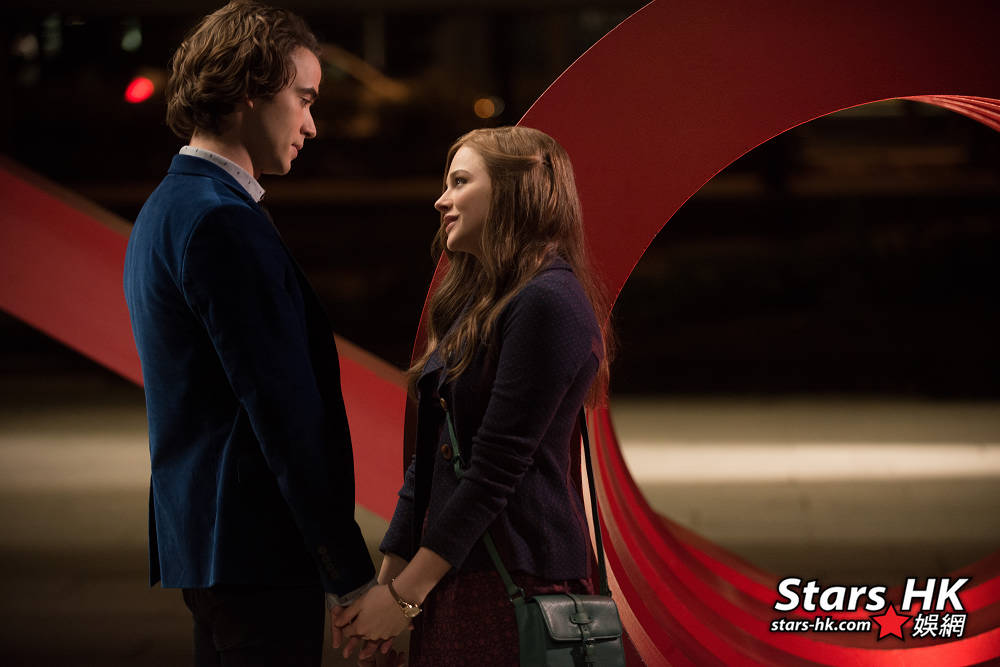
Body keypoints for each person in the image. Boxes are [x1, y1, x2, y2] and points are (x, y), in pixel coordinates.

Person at [122, 2, 375, 664]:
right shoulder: (220, 221)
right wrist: (346, 568)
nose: (312, 124)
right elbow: (282, 410)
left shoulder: (166, 207)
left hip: (209, 543)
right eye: (304, 99)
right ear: (247, 91)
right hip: (256, 549)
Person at [332, 126, 614, 666]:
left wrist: (404, 597)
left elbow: (493, 472)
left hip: (516, 579)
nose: (441, 200)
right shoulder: (480, 299)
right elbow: (431, 464)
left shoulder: (548, 301)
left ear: (513, 193)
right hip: (456, 570)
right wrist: (386, 592)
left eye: (460, 182)